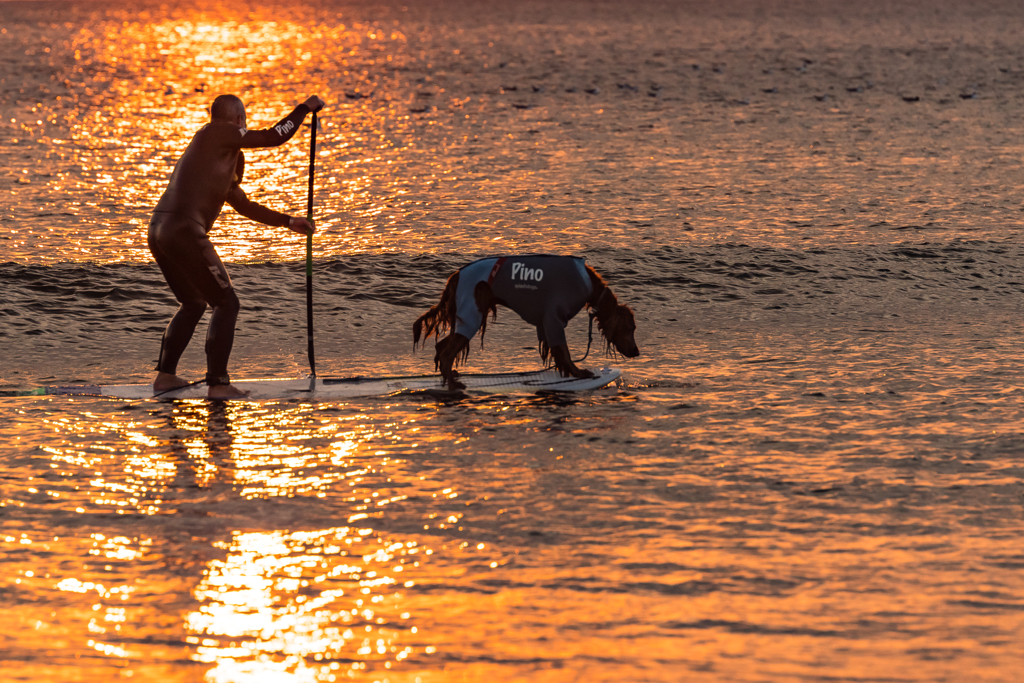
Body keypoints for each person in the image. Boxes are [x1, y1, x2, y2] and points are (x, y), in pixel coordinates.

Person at [148, 93, 325, 399]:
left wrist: (287, 221)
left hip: (159, 230)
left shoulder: (215, 154)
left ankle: (165, 377)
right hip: (184, 230)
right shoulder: (218, 130)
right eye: (244, 121)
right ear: (239, 119)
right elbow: (272, 137)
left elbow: (245, 206)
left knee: (194, 303)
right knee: (227, 303)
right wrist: (304, 109)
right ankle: (218, 383)